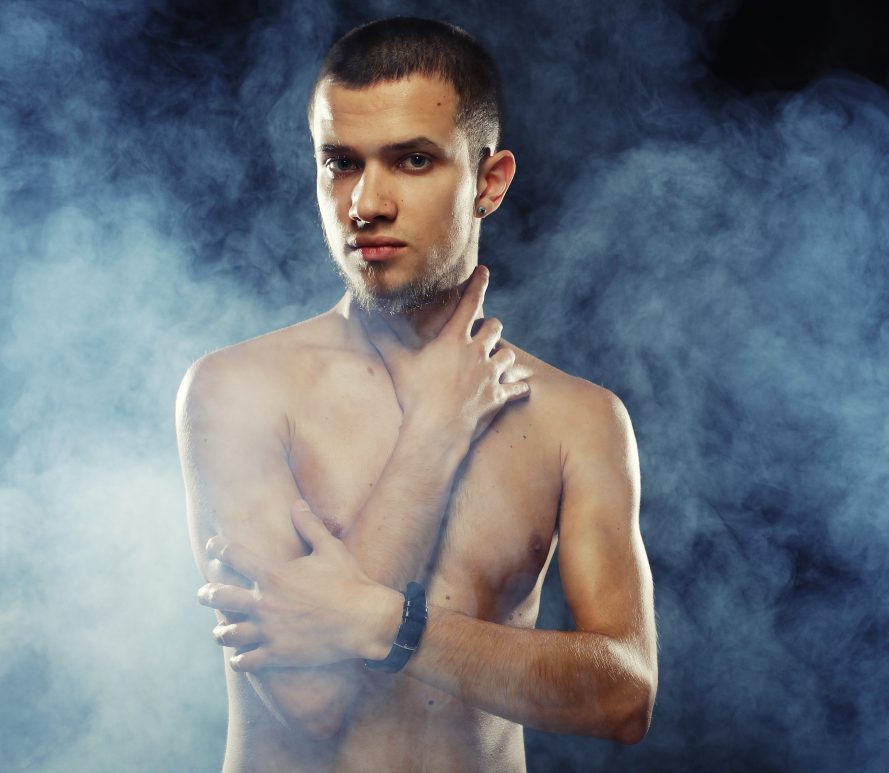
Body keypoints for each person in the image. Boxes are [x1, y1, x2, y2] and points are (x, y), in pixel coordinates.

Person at [176, 17, 657, 772]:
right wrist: (435, 427)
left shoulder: (579, 418)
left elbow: (625, 696)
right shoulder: (237, 390)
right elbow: (313, 701)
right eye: (339, 162)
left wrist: (388, 624)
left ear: (488, 183)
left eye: (411, 160)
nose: (366, 202)